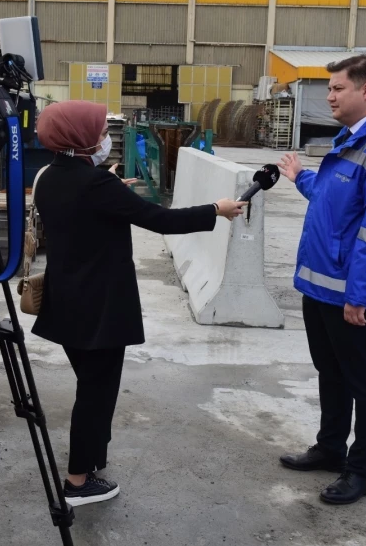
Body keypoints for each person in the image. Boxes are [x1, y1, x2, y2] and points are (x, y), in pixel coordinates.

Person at [30, 100, 247, 507]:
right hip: (100, 306)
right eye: (99, 133)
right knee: (96, 393)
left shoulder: (49, 177)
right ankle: (77, 482)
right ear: (79, 137)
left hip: (67, 302)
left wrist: (112, 186)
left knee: (91, 384)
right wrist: (215, 210)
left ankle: (91, 460)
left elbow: (84, 209)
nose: (104, 139)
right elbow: (161, 219)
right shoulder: (98, 185)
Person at [277, 54, 366, 505]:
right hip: (322, 286)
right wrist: (301, 178)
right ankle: (331, 447)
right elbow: (332, 199)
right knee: (331, 372)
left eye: (338, 88)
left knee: (363, 381)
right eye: (330, 89)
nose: (330, 97)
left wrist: (360, 295)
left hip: (351, 295)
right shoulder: (350, 139)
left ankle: (360, 471)